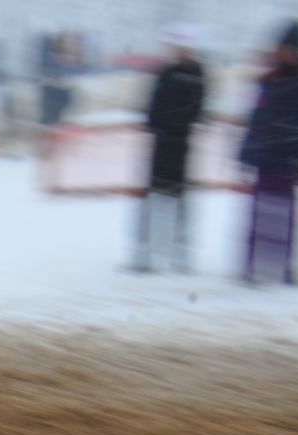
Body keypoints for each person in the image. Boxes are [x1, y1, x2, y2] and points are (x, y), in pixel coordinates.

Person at [238, 21, 298, 286]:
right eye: (280, 48)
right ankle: (252, 265)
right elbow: (257, 118)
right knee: (259, 213)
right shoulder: (268, 80)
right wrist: (246, 154)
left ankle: (284, 267)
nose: (282, 53)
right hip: (265, 153)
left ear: (297, 50)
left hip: (290, 155)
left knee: (286, 214)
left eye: (287, 48)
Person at [131, 24, 206, 274]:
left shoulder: (190, 74)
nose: (176, 50)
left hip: (176, 144)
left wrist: (163, 125)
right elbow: (154, 106)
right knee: (155, 200)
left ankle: (177, 254)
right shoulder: (171, 73)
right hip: (165, 143)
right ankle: (147, 254)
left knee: (176, 201)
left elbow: (189, 110)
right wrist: (156, 124)